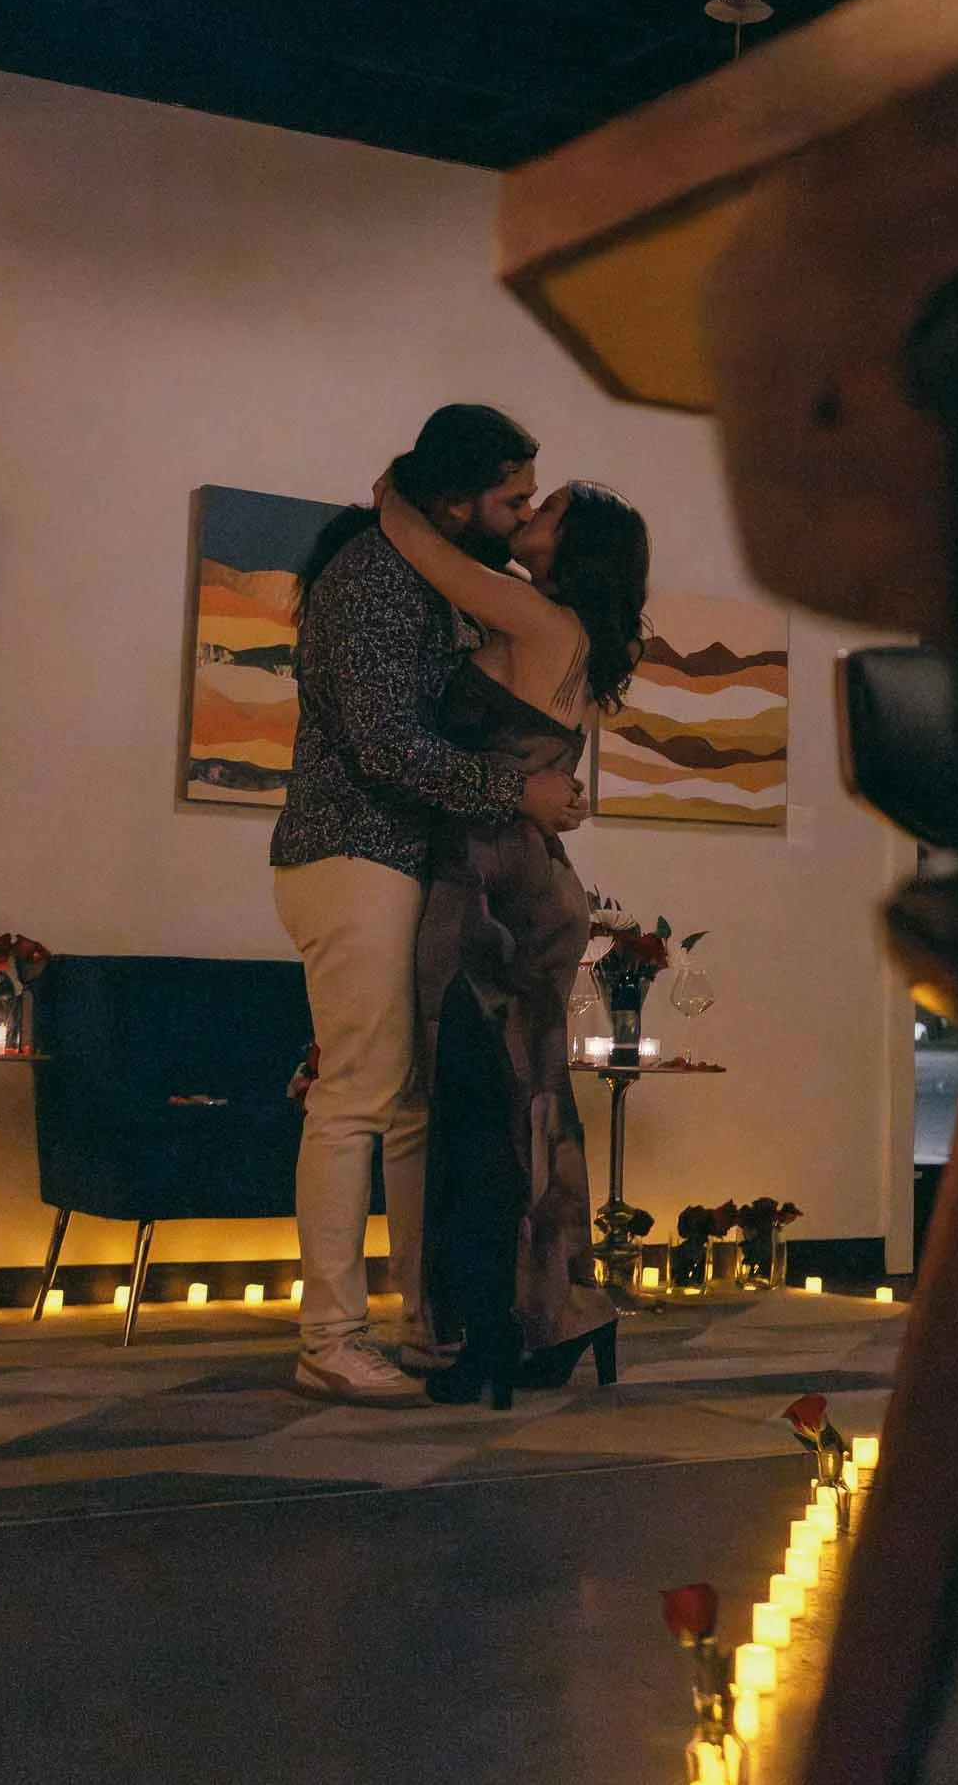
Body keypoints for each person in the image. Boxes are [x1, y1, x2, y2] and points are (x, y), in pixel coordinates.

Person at [270, 406, 586, 1406]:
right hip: (352, 849)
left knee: (409, 1106)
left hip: (399, 858)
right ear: (457, 498)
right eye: (514, 498)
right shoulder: (369, 577)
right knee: (357, 1096)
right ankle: (329, 1334)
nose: (522, 514)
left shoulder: (428, 577)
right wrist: (516, 793)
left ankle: (427, 1321)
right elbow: (382, 746)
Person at [375, 472, 650, 1407]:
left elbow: (429, 555)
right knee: (530, 1106)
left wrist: (399, 492)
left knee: (481, 1109)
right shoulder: (562, 633)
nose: (530, 513)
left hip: (493, 888)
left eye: (548, 507)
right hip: (523, 882)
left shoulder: (540, 620)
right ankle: (558, 1311)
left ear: (573, 547)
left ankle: (488, 1326)